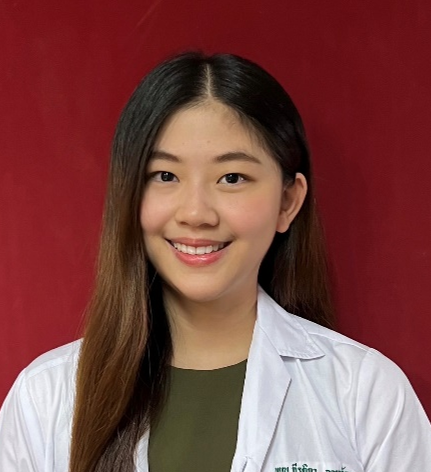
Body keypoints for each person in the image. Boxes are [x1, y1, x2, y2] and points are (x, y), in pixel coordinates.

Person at [0, 51, 430, 472]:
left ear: (287, 202)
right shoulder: (45, 398)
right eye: (165, 176)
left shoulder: (365, 393)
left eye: (232, 178)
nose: (196, 213)